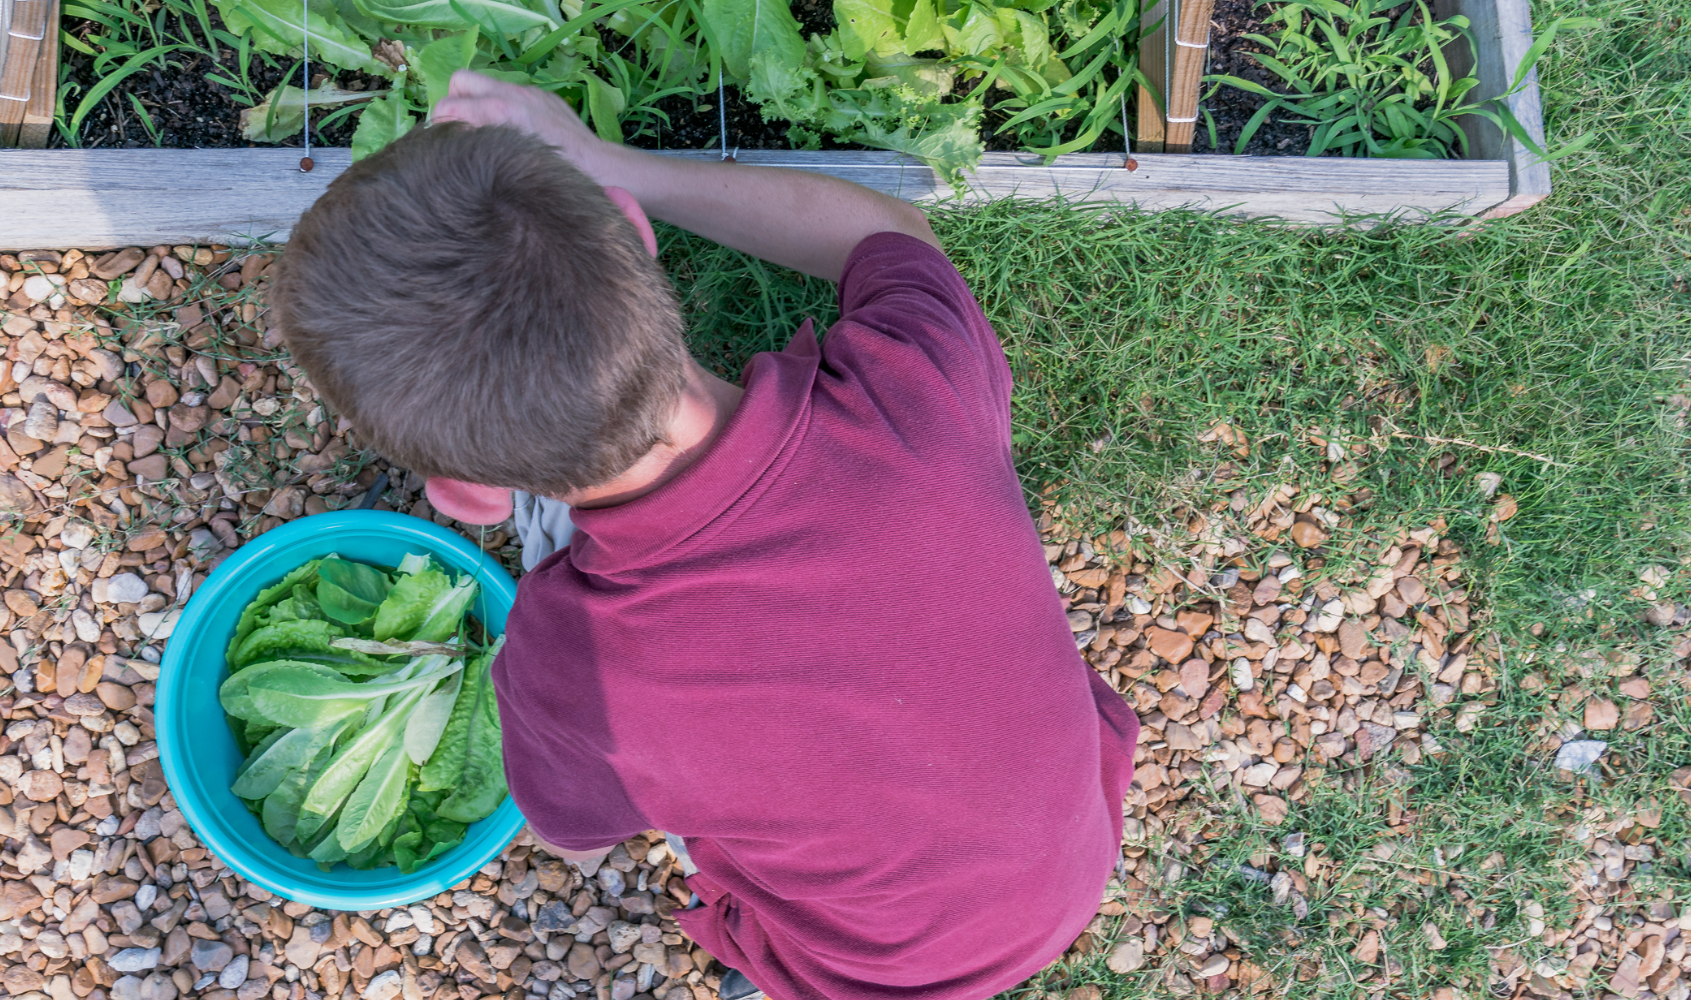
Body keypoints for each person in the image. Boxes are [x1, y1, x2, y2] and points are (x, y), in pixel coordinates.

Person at [271, 70, 1140, 1000]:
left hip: (874, 974)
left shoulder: (574, 668)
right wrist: (617, 164)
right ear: (636, 235)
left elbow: (576, 831)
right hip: (1072, 850)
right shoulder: (917, 384)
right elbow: (888, 237)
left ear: (469, 491)